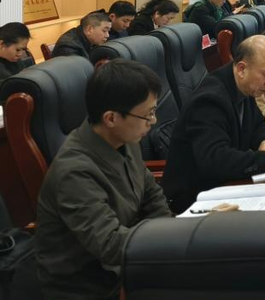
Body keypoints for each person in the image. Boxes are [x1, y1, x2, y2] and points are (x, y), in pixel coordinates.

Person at [36, 60, 173, 300]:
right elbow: (110, 245)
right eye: (148, 114)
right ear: (111, 118)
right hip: (88, 287)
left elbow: (151, 196)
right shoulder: (74, 172)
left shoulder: (125, 139)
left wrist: (172, 236)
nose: (153, 121)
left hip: (127, 266)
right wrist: (168, 245)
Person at [162, 35, 265, 213]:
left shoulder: (245, 85)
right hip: (196, 200)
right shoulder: (209, 100)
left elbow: (259, 125)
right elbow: (215, 159)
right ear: (242, 69)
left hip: (228, 185)